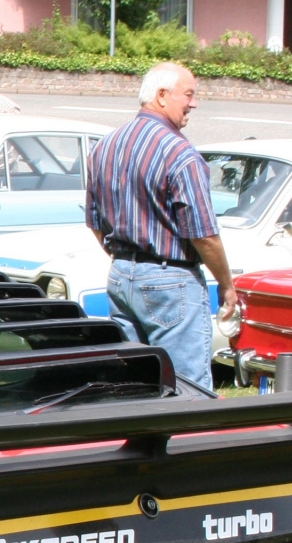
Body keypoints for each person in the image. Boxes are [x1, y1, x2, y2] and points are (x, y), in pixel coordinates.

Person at [85, 61, 233, 391]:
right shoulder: (180, 153)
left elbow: (95, 223)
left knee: (137, 383)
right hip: (170, 280)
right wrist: (226, 283)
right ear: (162, 95)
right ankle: (186, 441)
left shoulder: (105, 147)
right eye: (189, 94)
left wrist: (126, 259)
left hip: (121, 275)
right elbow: (203, 235)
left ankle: (143, 441)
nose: (194, 103)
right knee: (187, 386)